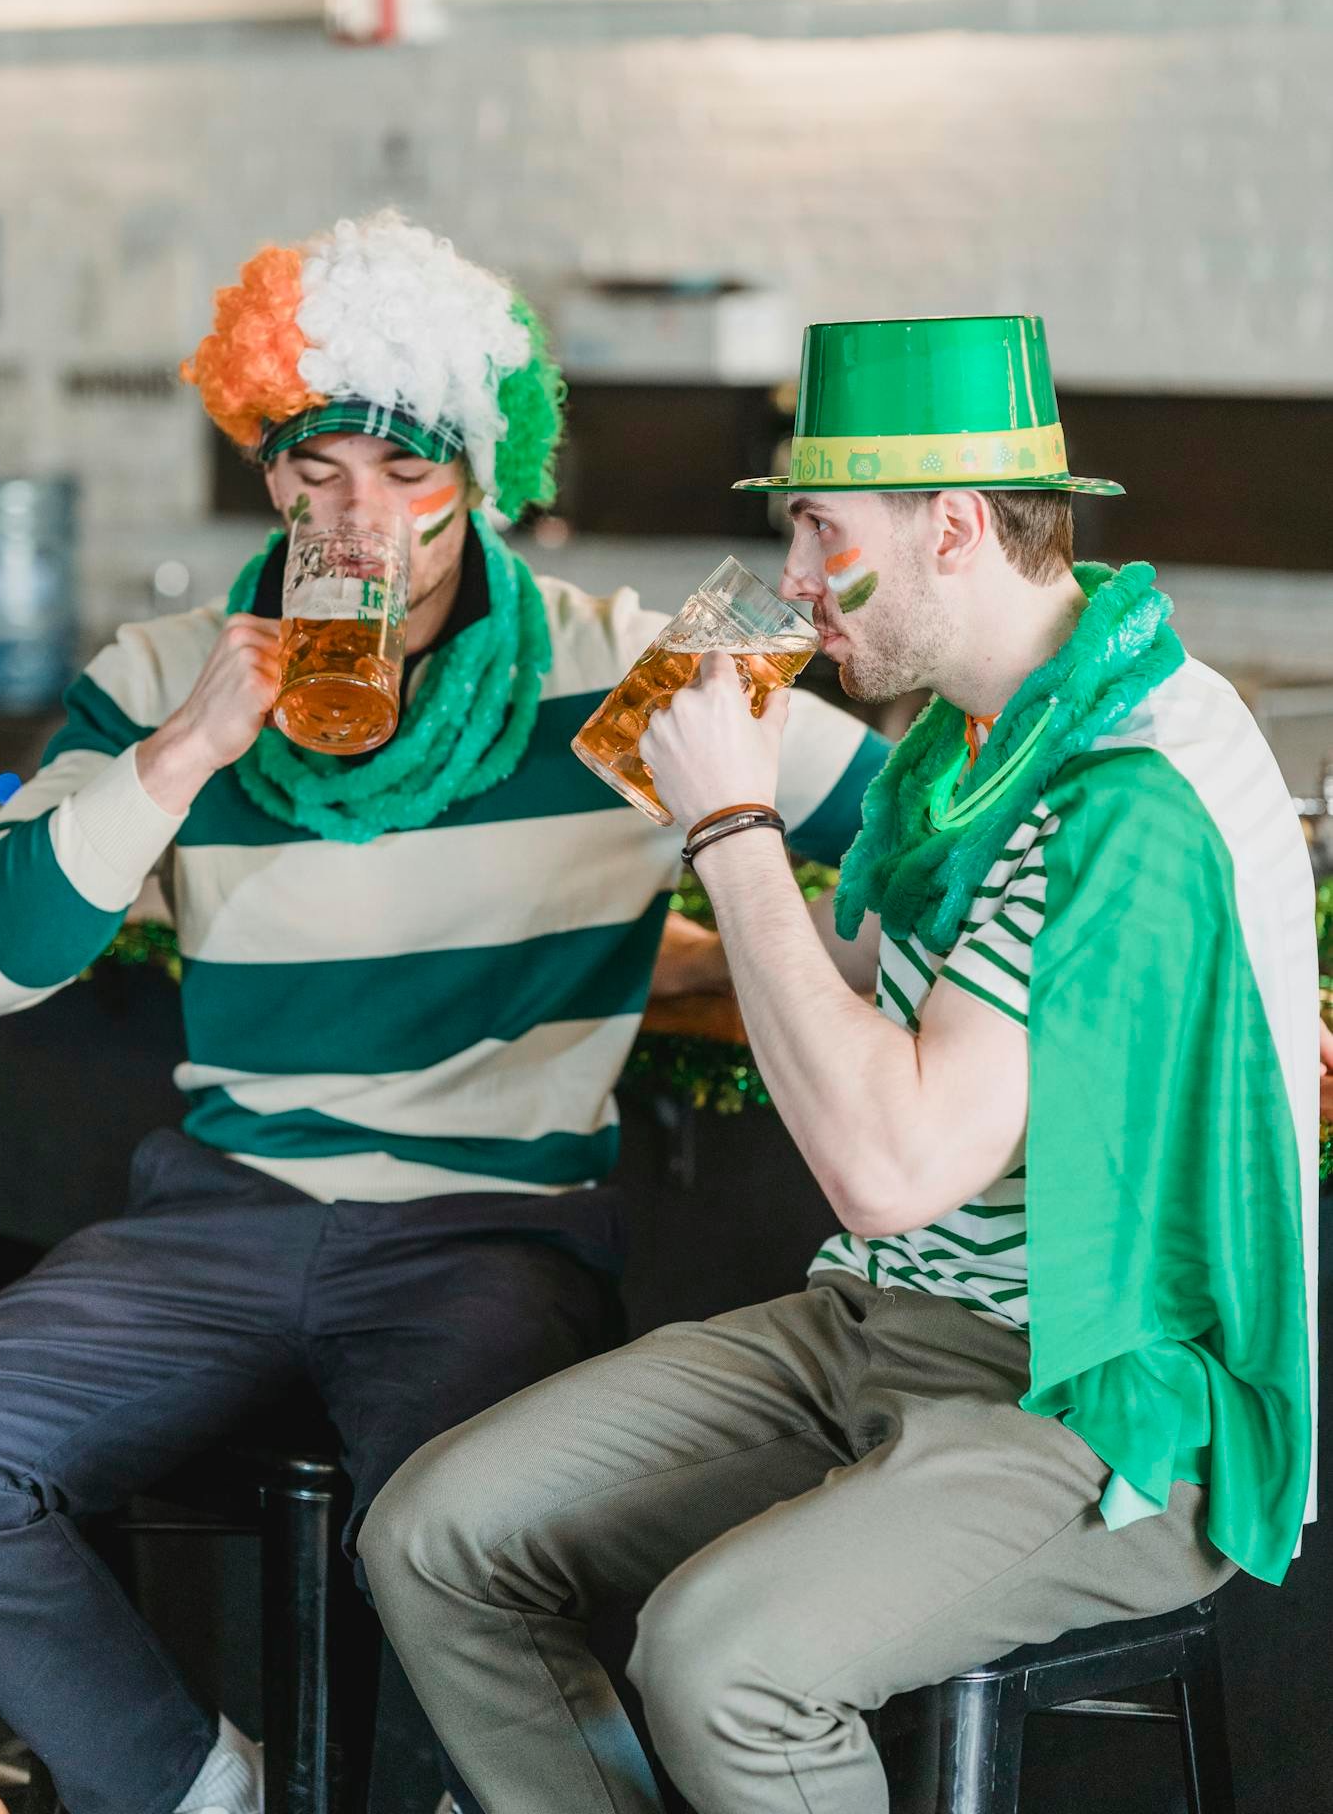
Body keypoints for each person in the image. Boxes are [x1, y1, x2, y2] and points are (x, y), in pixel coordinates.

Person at [0, 216, 887, 1814]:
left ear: (484, 474)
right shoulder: (163, 669)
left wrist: (770, 946)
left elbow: (919, 844)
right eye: (316, 472)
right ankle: (193, 1790)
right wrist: (180, 754)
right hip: (220, 1213)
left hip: (492, 1225)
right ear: (268, 476)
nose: (363, 523)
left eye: (408, 475)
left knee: (465, 1548)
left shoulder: (635, 673)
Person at [361, 313, 1318, 1814]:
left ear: (949, 530)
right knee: (433, 1536)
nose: (791, 586)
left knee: (717, 1662)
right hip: (887, 1322)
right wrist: (624, 939)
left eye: (814, 530)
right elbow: (860, 976)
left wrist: (729, 829)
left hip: (1099, 1392)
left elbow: (890, 1166)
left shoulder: (1125, 792)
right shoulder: (969, 738)